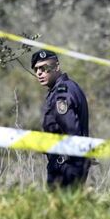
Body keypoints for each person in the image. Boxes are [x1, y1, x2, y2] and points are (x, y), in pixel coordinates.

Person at [31, 49, 91, 188]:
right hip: (71, 163)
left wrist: (72, 159)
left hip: (65, 165)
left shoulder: (61, 93)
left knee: (58, 207)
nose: (39, 73)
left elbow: (71, 129)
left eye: (44, 67)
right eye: (36, 70)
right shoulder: (70, 87)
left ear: (56, 67)